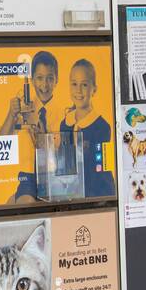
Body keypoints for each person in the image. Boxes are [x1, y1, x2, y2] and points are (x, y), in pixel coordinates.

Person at [1, 51, 58, 203]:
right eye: (39, 78)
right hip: (28, 179)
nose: (44, 85)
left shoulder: (63, 112)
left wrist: (38, 128)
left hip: (53, 177)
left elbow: (57, 152)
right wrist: (11, 115)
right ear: (32, 80)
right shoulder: (24, 107)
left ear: (56, 80)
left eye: (50, 78)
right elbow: (1, 142)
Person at [59, 58, 116, 198]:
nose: (78, 90)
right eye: (74, 84)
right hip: (72, 194)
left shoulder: (102, 127)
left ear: (94, 89)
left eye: (84, 85)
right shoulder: (65, 123)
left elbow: (103, 168)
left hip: (97, 194)